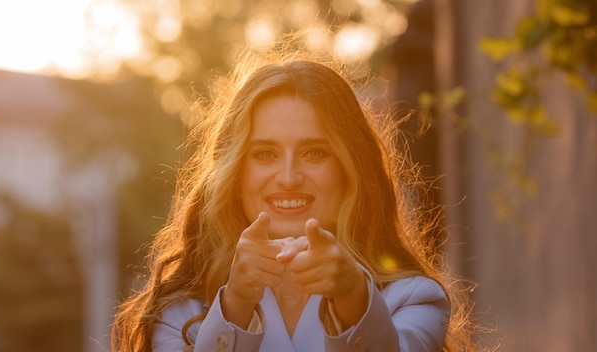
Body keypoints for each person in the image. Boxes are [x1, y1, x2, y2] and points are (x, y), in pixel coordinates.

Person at [111, 47, 479, 351]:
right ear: (234, 171)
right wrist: (235, 306)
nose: (288, 178)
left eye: (314, 153)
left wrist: (353, 296)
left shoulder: (415, 300)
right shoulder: (179, 312)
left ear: (351, 170)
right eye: (265, 154)